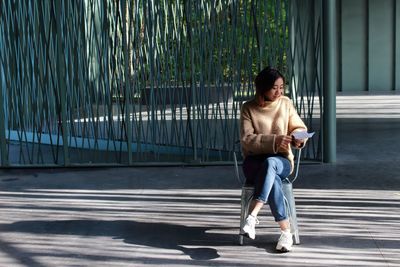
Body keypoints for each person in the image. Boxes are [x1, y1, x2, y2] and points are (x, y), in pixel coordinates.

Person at [240, 66, 308, 252]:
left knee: (271, 164)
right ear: (263, 88)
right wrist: (275, 140)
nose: (279, 92)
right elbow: (247, 140)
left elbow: (297, 126)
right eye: (274, 88)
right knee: (272, 177)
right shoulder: (248, 108)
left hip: (281, 160)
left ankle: (252, 214)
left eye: (281, 87)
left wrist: (298, 136)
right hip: (254, 162)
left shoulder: (285, 103)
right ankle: (286, 233)